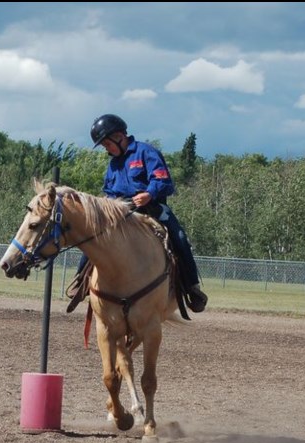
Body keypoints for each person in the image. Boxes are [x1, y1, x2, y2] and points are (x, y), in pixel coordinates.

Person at [67, 114, 208, 313]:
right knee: (95, 236)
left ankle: (192, 287)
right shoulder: (113, 164)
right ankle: (81, 279)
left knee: (180, 238)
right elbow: (109, 190)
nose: (107, 149)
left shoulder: (146, 152)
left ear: (119, 136)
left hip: (151, 208)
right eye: (104, 146)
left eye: (107, 144)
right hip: (120, 211)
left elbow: (163, 180)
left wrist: (149, 194)